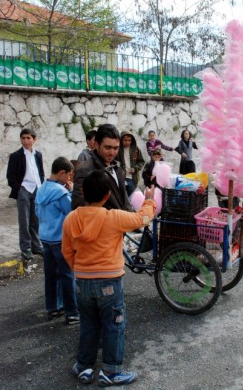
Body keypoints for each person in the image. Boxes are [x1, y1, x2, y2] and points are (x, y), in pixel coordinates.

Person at [62, 170, 156, 386]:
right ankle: (111, 372)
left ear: (83, 192)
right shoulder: (113, 217)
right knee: (114, 325)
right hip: (109, 283)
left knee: (88, 323)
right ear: (107, 196)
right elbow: (142, 219)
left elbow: (67, 251)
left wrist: (80, 270)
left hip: (82, 283)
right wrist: (149, 201)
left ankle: (84, 367)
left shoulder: (71, 219)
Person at [35, 157, 79, 325]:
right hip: (60, 239)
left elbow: (37, 212)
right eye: (69, 175)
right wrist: (72, 191)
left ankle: (53, 308)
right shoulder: (61, 192)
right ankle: (72, 312)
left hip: (45, 238)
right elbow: (72, 211)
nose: (69, 179)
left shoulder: (41, 189)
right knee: (67, 276)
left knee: (51, 275)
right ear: (62, 173)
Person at [72, 124, 132, 211]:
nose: (112, 152)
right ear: (96, 144)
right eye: (108, 147)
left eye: (116, 148)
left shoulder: (117, 167)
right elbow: (79, 210)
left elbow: (124, 200)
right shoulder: (85, 171)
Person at [6, 128, 45, 261]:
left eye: (28, 138)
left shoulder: (38, 155)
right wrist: (19, 189)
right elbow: (10, 176)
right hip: (24, 189)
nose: (26, 140)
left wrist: (41, 186)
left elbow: (40, 172)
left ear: (34, 139)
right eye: (23, 138)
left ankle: (36, 246)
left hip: (36, 189)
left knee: (35, 219)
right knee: (24, 220)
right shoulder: (15, 156)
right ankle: (26, 248)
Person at [116, 130, 145, 197]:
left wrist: (135, 168)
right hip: (120, 178)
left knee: (132, 197)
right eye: (125, 140)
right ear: (121, 140)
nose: (127, 142)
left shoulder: (136, 149)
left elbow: (141, 161)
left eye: (129, 140)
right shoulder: (117, 149)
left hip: (132, 178)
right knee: (121, 197)